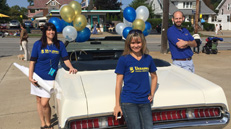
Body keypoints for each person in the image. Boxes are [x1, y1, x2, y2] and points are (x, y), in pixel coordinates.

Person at [29, 23, 77, 129]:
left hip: (50, 77)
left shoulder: (59, 44)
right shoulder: (38, 44)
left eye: (53, 30)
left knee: (44, 102)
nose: (51, 32)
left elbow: (65, 59)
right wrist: (30, 76)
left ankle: (49, 122)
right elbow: (32, 62)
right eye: (49, 30)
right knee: (38, 100)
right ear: (45, 31)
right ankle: (43, 123)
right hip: (37, 76)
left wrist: (71, 67)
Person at [114, 29, 158, 129]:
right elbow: (118, 83)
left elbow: (154, 77)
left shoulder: (148, 58)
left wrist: (152, 93)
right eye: (133, 43)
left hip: (145, 101)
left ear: (143, 43)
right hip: (129, 101)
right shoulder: (124, 59)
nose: (136, 45)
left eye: (138, 42)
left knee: (148, 127)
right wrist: (117, 104)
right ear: (128, 44)